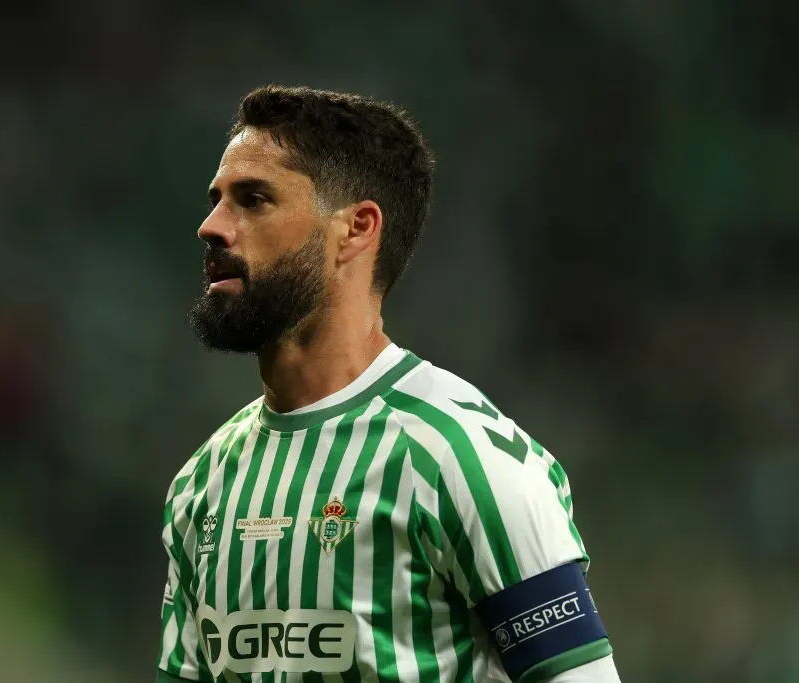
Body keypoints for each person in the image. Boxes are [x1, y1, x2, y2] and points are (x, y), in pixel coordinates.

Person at [156, 85, 621, 683]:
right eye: (217, 200)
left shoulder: (463, 457)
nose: (211, 226)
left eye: (253, 199)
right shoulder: (204, 482)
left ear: (355, 229)